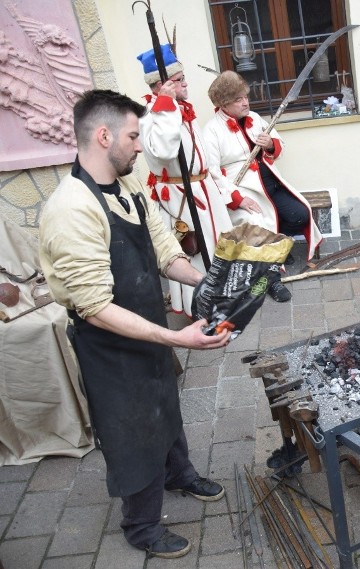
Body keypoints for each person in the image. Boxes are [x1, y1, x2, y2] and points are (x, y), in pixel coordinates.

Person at [39, 90, 230, 558]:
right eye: (131, 135)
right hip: (109, 348)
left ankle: (178, 474)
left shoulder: (127, 187)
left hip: (147, 329)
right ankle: (141, 525)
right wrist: (175, 336)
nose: (140, 145)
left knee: (165, 406)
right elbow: (96, 307)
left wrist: (208, 280)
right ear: (103, 136)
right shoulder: (71, 209)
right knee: (132, 430)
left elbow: (164, 250)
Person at [137, 44, 241, 316]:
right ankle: (202, 305)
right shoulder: (151, 115)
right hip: (181, 195)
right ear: (161, 84)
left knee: (218, 244)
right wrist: (167, 104)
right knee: (195, 251)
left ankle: (222, 295)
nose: (186, 84)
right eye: (179, 80)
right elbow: (163, 150)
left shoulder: (181, 108)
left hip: (204, 188)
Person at [203, 70, 323, 303]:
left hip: (270, 183)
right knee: (257, 225)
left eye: (245, 96)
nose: (245, 102)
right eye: (238, 99)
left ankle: (280, 247)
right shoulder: (211, 130)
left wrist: (270, 144)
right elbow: (212, 173)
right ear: (224, 104)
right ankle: (271, 279)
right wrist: (237, 199)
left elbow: (278, 145)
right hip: (242, 189)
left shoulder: (255, 119)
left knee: (299, 214)